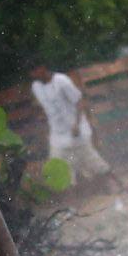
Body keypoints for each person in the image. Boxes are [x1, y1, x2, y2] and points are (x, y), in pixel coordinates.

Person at [29, 60, 112, 192]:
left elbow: (79, 101)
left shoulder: (61, 80)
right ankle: (72, 197)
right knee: (58, 166)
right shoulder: (36, 87)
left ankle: (114, 183)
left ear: (42, 68)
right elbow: (44, 109)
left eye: (35, 70)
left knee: (92, 161)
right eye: (31, 72)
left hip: (76, 130)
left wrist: (76, 124)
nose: (34, 74)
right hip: (57, 134)